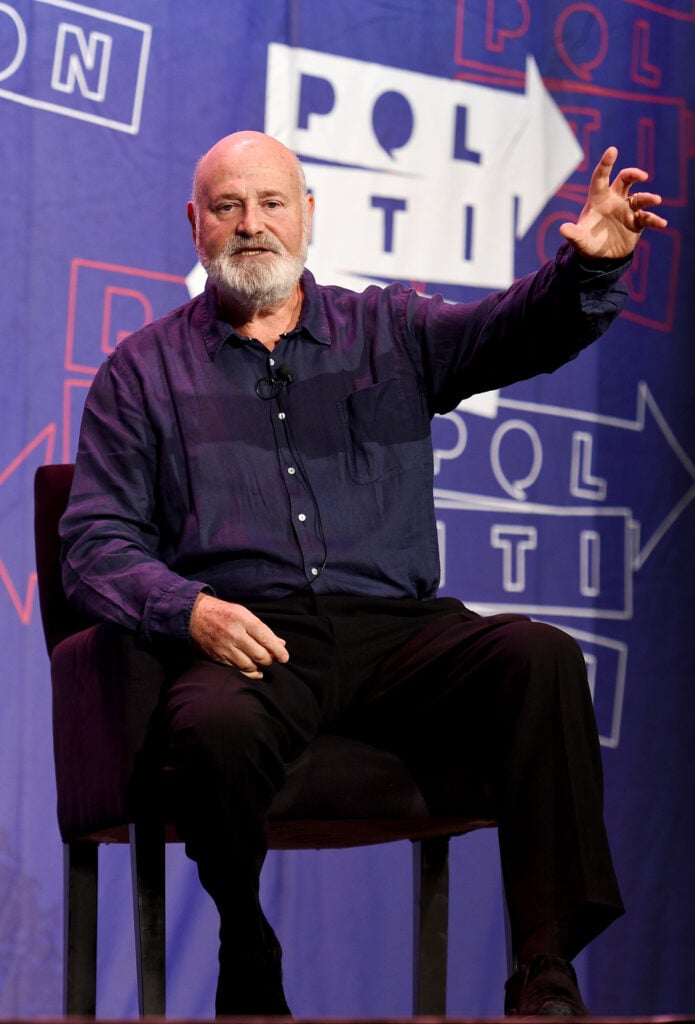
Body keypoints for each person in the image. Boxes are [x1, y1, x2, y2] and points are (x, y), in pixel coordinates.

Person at [60, 130, 667, 1017]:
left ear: (308, 216)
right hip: (252, 637)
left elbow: (506, 333)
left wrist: (582, 273)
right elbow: (93, 541)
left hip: (400, 636)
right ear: (196, 226)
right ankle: (245, 938)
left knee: (540, 658)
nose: (251, 224)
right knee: (210, 729)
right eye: (227, 207)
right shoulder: (140, 373)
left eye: (271, 203)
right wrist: (188, 610)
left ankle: (543, 968)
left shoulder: (388, 328)